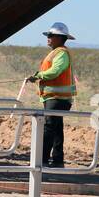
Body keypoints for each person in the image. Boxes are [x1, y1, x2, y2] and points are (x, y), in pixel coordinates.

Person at [24, 21, 77, 169]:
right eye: (48, 35)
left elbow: (55, 71)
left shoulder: (61, 54)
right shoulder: (56, 52)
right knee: (56, 127)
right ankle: (57, 160)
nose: (48, 37)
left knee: (49, 127)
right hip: (55, 97)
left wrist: (38, 75)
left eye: (51, 35)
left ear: (60, 38)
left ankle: (42, 160)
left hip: (58, 98)